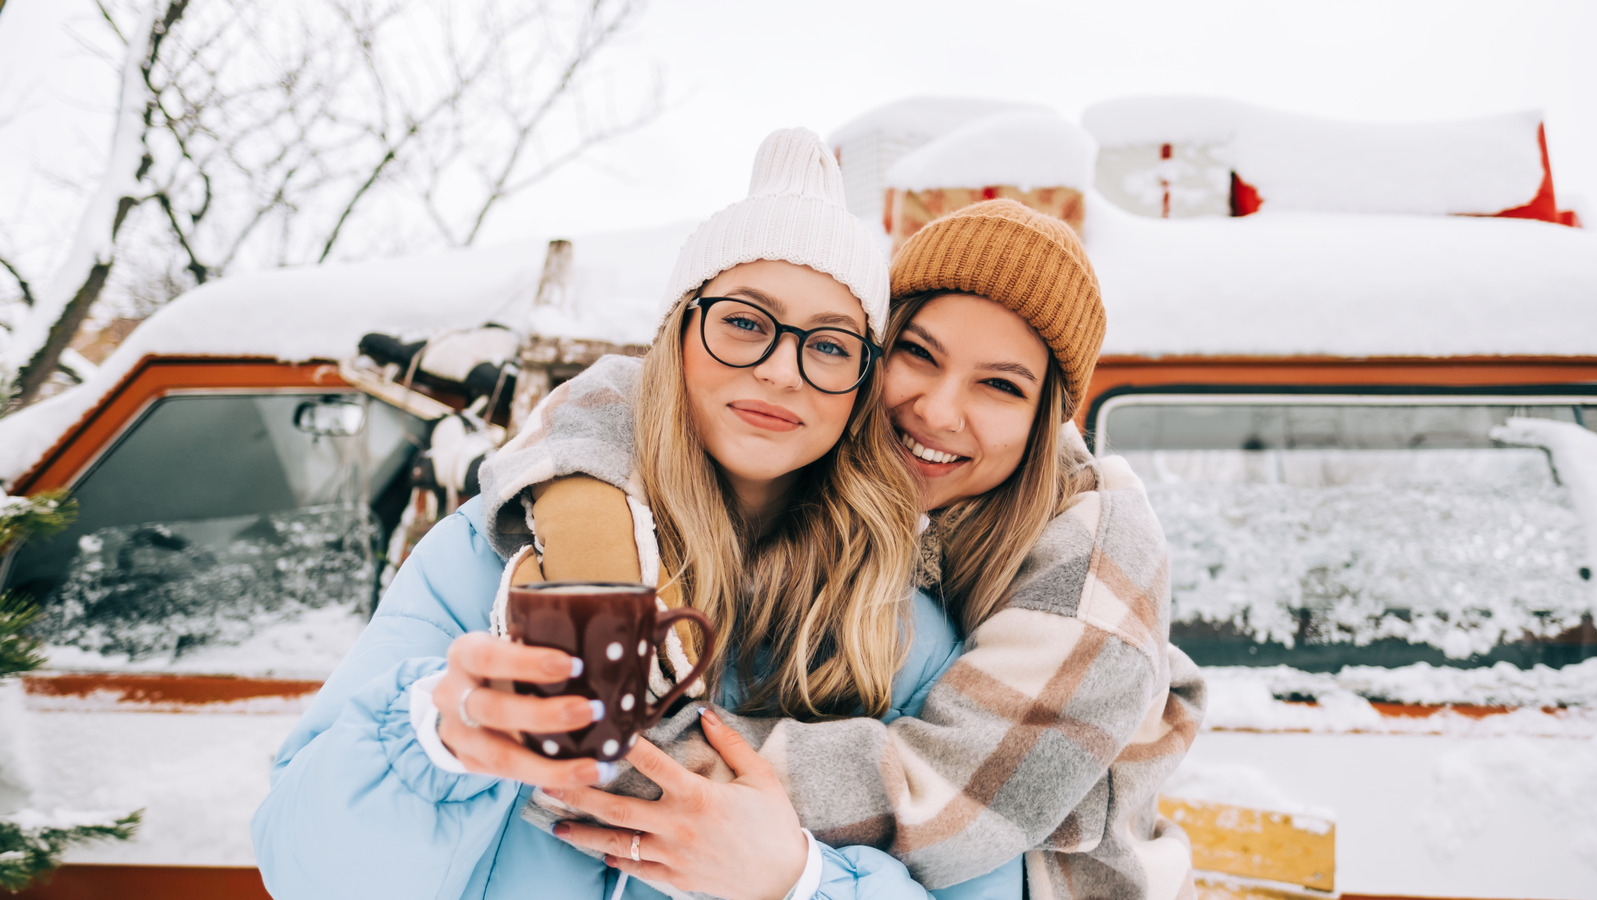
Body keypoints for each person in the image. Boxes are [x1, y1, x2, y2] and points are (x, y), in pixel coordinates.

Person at [252, 128, 1017, 899]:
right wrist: (435, 744)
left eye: (828, 345)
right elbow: (309, 876)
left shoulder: (904, 635)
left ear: (861, 383)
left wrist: (798, 883)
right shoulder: (487, 563)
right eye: (745, 323)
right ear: (677, 335)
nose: (782, 370)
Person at [483, 198, 1207, 899]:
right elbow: (648, 393)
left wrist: (626, 753)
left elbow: (942, 803)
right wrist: (589, 517)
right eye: (918, 354)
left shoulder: (1094, 567)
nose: (938, 411)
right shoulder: (854, 486)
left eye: (999, 386)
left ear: (1045, 420)